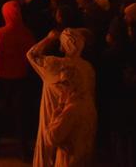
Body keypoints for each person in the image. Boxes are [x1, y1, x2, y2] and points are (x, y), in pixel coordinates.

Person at [28, 28, 95, 167]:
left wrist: (49, 38)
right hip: (84, 117)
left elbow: (31, 55)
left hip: (53, 114)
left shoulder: (55, 65)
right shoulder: (88, 68)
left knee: (49, 151)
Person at [0, 0, 36, 154]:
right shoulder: (27, 33)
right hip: (21, 78)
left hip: (3, 79)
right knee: (21, 115)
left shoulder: (0, 33)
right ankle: (23, 148)